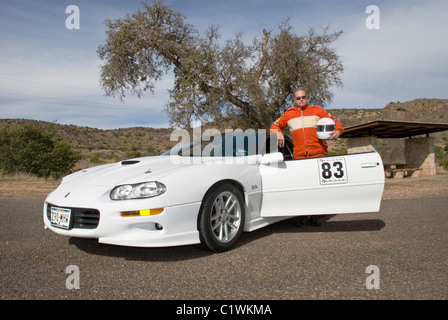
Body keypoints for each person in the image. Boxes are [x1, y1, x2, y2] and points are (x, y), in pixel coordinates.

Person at [270, 89, 344, 226]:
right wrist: (278, 132)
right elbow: (274, 125)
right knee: (303, 186)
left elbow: (337, 122)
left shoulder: (318, 110)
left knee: (318, 186)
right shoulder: (289, 113)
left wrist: (338, 131)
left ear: (307, 97)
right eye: (298, 98)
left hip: (318, 153)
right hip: (299, 155)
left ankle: (317, 216)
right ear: (294, 100)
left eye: (303, 97)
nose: (301, 100)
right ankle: (305, 215)